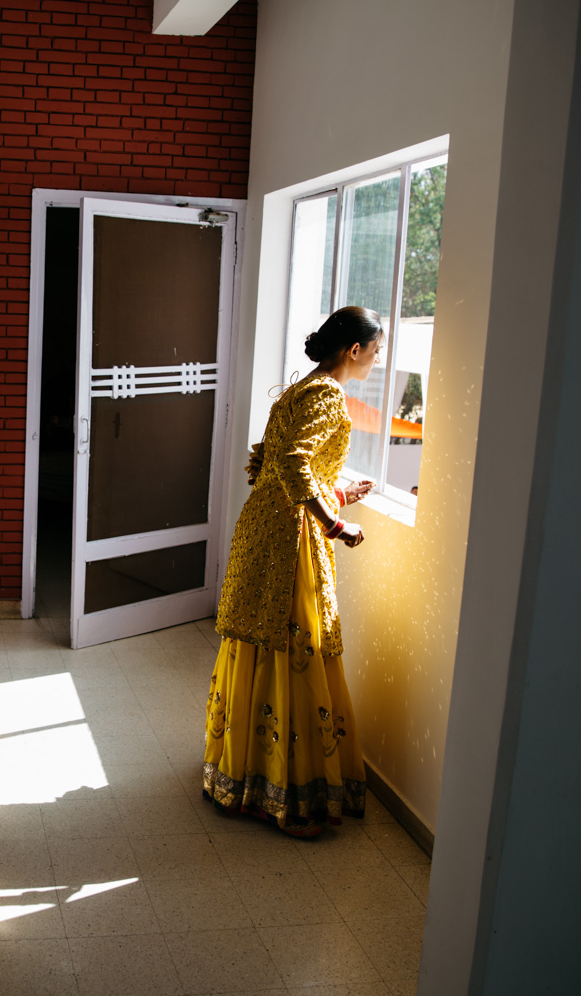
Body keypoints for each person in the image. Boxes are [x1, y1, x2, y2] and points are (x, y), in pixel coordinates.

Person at [204, 307, 382, 837]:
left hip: (267, 523)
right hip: (292, 538)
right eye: (376, 351)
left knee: (262, 644)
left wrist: (338, 491)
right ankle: (286, 794)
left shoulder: (297, 389)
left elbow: (268, 463)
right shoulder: (327, 394)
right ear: (354, 350)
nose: (377, 360)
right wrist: (335, 522)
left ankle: (244, 777)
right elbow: (292, 463)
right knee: (294, 648)